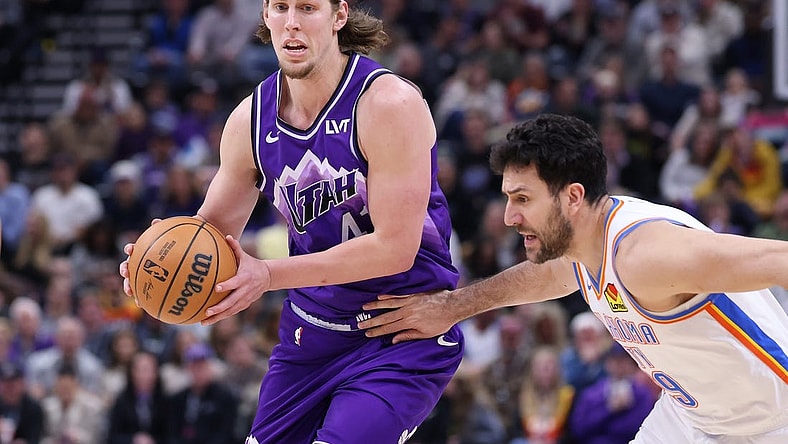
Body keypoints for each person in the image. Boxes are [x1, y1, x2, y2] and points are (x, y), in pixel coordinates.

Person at [119, 1, 463, 443]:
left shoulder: (387, 103)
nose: (293, 21)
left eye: (307, 7)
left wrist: (267, 274)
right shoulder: (249, 120)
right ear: (264, 16)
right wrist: (158, 263)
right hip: (310, 336)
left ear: (339, 16)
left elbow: (394, 248)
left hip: (402, 331)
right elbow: (210, 236)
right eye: (281, 7)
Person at [360, 113, 788, 442]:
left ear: (573, 197)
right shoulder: (582, 251)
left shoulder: (649, 254)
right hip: (692, 416)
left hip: (771, 423)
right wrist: (452, 307)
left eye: (523, 198)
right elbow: (547, 277)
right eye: (508, 199)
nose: (510, 217)